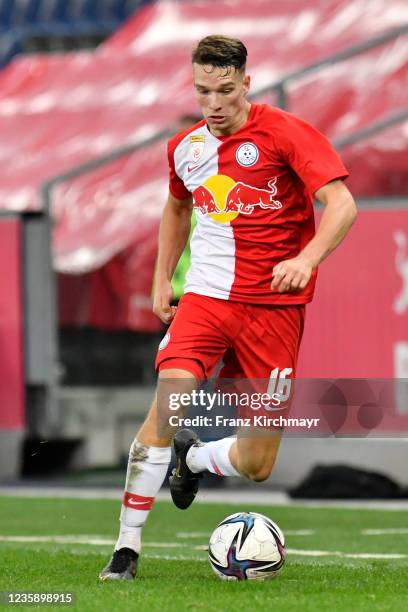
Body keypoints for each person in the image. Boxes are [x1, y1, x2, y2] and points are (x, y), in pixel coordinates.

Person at [100, 34, 357, 581]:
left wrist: (307, 258)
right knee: (167, 409)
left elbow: (342, 205)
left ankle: (192, 459)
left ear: (246, 80)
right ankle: (125, 550)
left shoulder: (286, 133)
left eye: (223, 90)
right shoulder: (185, 148)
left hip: (274, 311)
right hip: (207, 301)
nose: (213, 103)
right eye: (202, 92)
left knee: (258, 465)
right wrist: (162, 278)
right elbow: (175, 208)